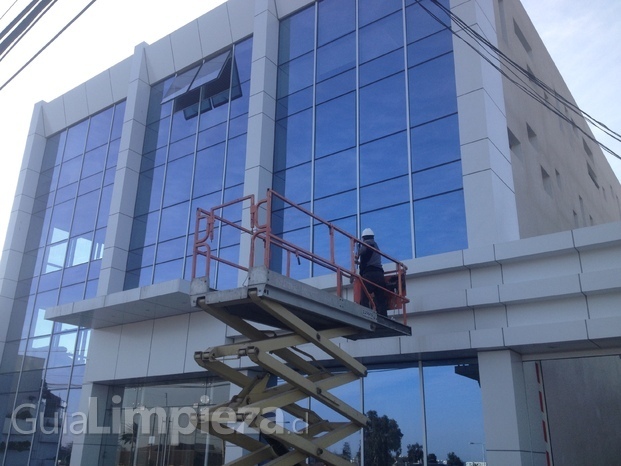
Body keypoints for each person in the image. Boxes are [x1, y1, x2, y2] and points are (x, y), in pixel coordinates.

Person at [356, 228, 388, 316]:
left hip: (370, 274)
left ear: (363, 238)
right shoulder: (376, 246)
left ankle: (364, 314)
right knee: (380, 298)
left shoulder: (368, 243)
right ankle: (383, 317)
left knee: (364, 296)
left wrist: (357, 253)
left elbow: (363, 250)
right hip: (379, 274)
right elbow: (369, 259)